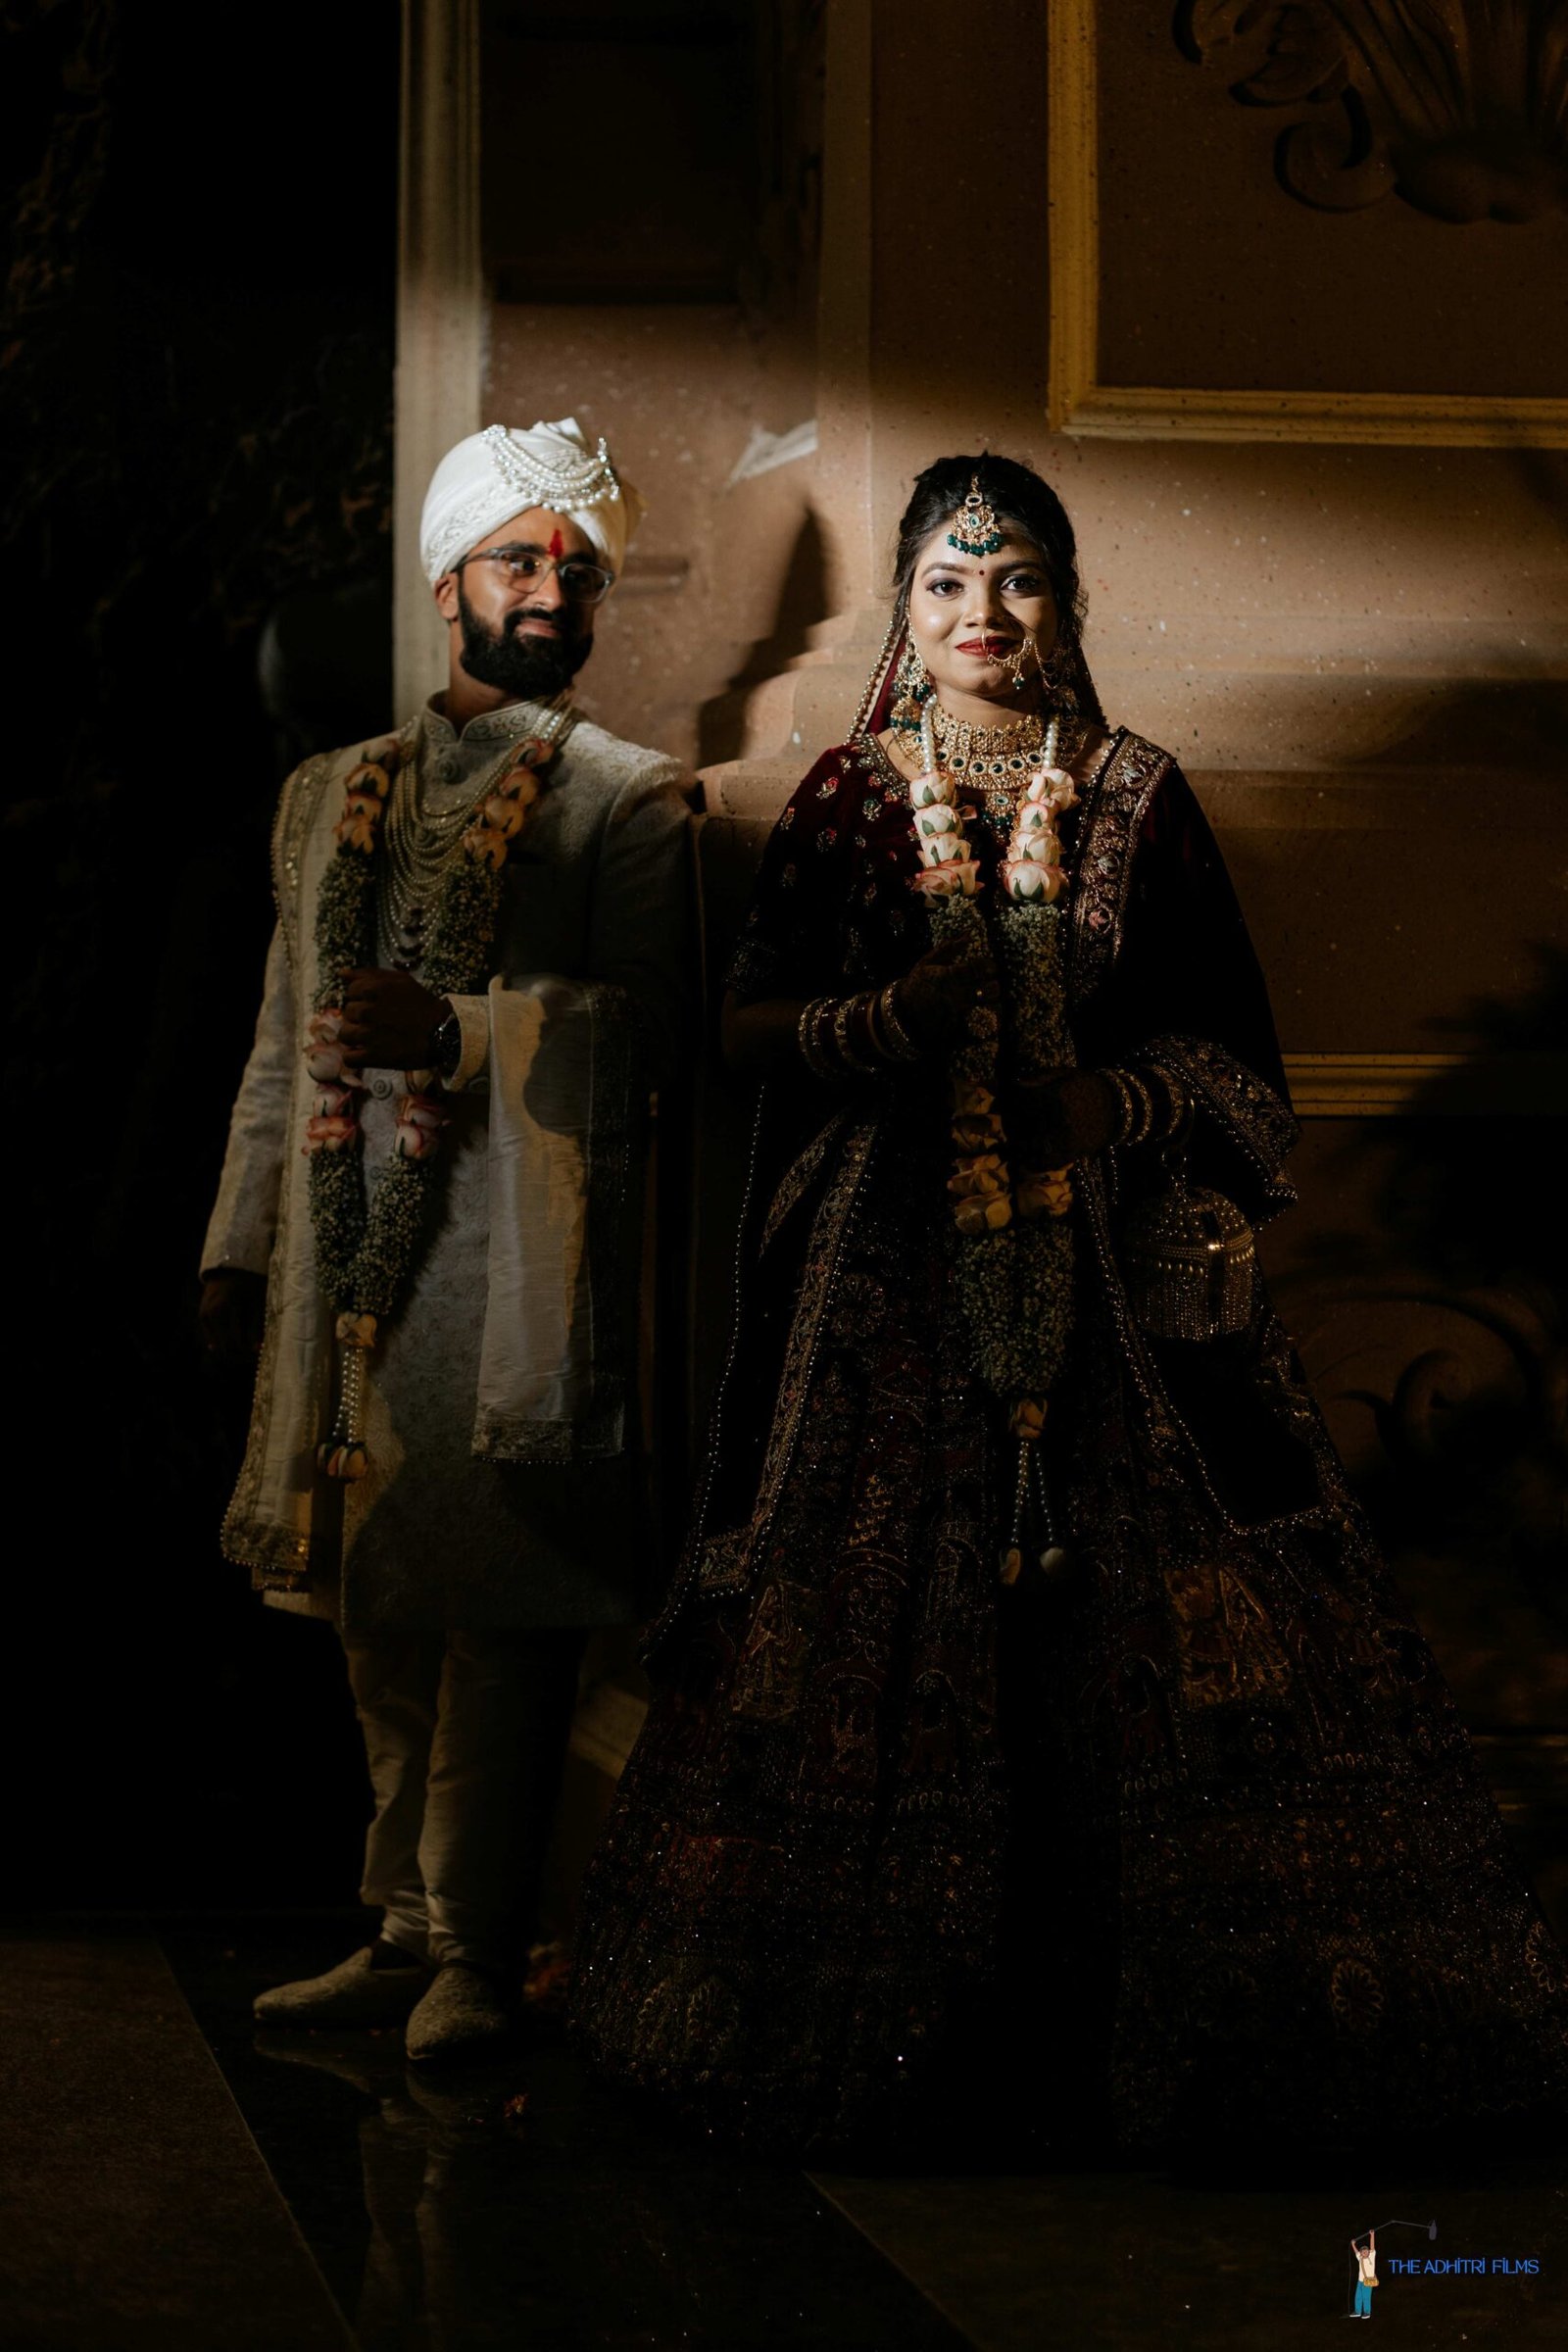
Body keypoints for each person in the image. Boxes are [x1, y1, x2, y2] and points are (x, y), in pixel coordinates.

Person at [568, 453, 1568, 2156]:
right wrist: (883, 1023)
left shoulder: (1137, 794)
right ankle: (887, 2040)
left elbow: (1234, 1058)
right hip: (885, 1287)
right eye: (949, 583)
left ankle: (1173, 2040)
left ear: (1067, 601)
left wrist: (1114, 1104)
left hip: (1121, 1286)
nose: (985, 612)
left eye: (1018, 577)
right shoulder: (849, 795)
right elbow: (744, 1028)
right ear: (905, 613)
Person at [201, 417, 693, 2059]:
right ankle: (402, 1934)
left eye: (579, 567)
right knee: (375, 1603)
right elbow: (282, 1039)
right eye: (518, 559)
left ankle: (482, 1948)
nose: (552, 588)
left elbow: (654, 1037)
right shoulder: (322, 796)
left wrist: (461, 1034)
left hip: (514, 1270)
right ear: (446, 584)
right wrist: (237, 1248)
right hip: (340, 1259)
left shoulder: (627, 798)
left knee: (503, 1600)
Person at [1352, 2232, 1377, 2319]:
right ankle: (1357, 2311)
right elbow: (1356, 2252)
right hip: (1360, 2281)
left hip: (1368, 2281)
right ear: (1361, 2253)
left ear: (1369, 2252)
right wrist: (1353, 2244)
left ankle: (1367, 2312)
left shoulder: (1371, 2257)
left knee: (1366, 2297)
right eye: (1363, 2251)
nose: (1365, 2252)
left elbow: (1372, 2247)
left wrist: (1372, 2235)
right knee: (1358, 2296)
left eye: (1366, 2251)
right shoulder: (1360, 2258)